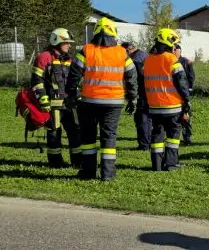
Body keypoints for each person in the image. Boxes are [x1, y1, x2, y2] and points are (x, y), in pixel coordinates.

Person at [65, 17, 138, 181]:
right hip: (114, 103)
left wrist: (71, 94)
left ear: (96, 31)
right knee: (109, 137)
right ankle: (108, 174)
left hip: (89, 101)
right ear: (114, 32)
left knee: (88, 137)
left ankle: (88, 172)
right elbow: (131, 77)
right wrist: (132, 99)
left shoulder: (87, 50)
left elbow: (74, 74)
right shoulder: (122, 52)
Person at [30, 28, 82, 169]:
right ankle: (55, 163)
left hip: (70, 103)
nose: (69, 45)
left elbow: (75, 81)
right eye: (66, 43)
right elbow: (37, 81)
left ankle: (78, 162)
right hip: (53, 105)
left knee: (75, 132)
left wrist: (78, 96)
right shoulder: (44, 57)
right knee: (54, 132)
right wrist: (42, 99)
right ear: (56, 41)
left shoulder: (70, 59)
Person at [144, 28, 191, 171]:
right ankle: (171, 163)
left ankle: (157, 165)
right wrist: (187, 100)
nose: (175, 47)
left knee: (157, 134)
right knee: (173, 134)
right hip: (172, 105)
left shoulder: (148, 59)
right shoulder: (172, 59)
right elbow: (182, 83)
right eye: (174, 44)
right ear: (169, 42)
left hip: (154, 106)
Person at [122, 41, 152, 151]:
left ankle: (144, 144)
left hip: (141, 93)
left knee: (141, 118)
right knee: (148, 118)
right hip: (150, 92)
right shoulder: (144, 55)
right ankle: (149, 142)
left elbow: (135, 79)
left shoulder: (134, 61)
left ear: (128, 50)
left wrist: (132, 95)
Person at [173, 43, 195, 145]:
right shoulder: (170, 61)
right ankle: (174, 136)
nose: (173, 52)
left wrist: (189, 89)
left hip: (184, 93)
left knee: (186, 116)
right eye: (173, 50)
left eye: (175, 50)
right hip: (173, 94)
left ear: (179, 51)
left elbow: (191, 76)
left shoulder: (185, 62)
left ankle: (187, 137)